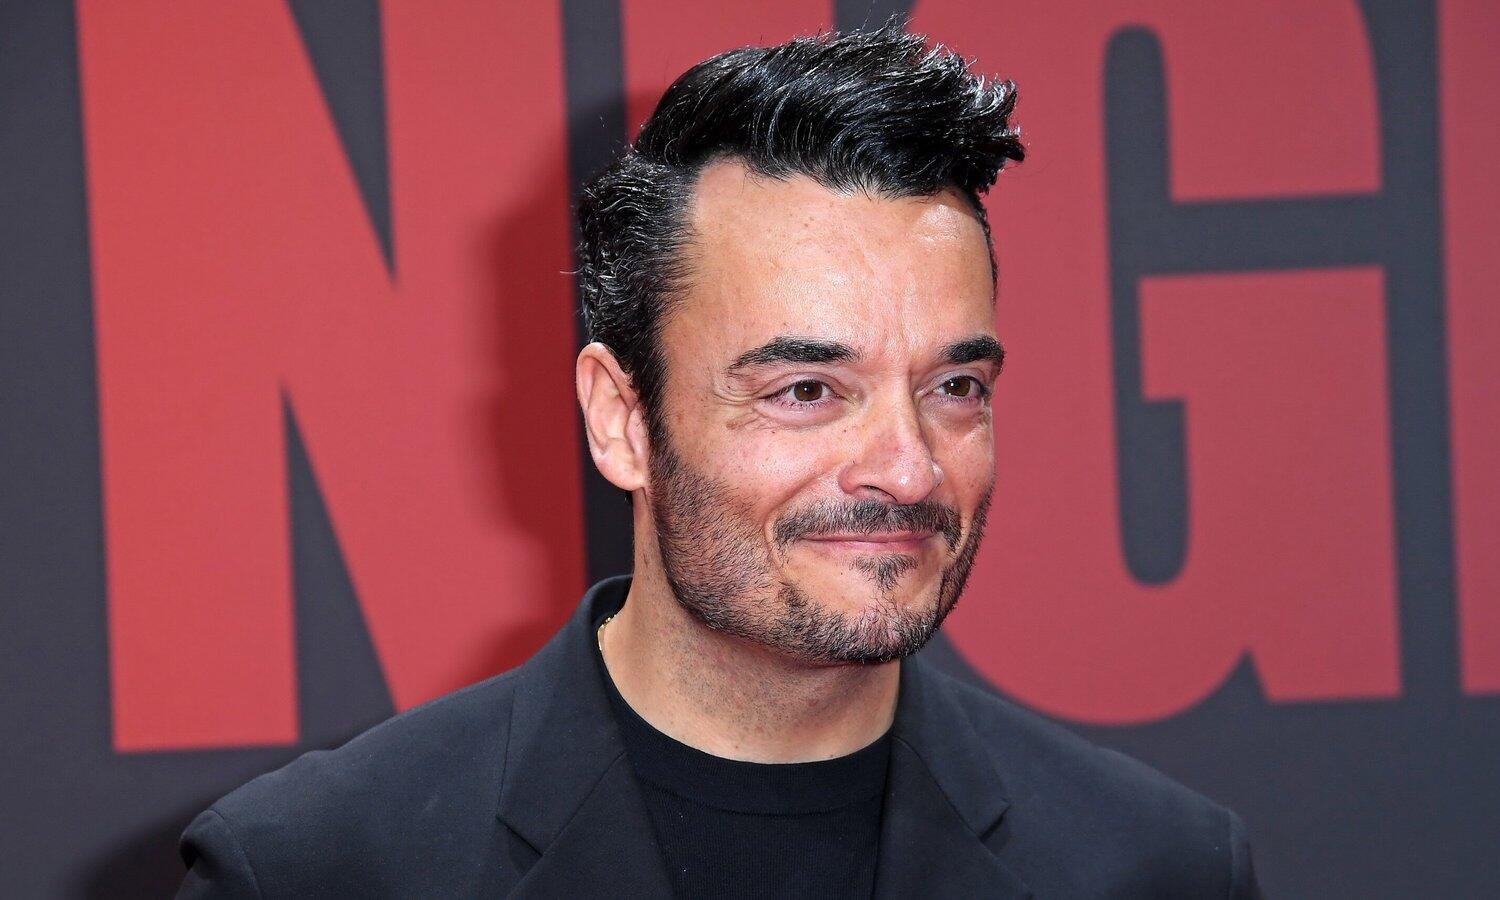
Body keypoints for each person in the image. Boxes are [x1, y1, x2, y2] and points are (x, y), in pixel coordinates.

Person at [176, 27, 1261, 899]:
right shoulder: (317, 869)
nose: (909, 470)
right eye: (806, 391)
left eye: (954, 388)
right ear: (622, 421)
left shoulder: (1154, 867)